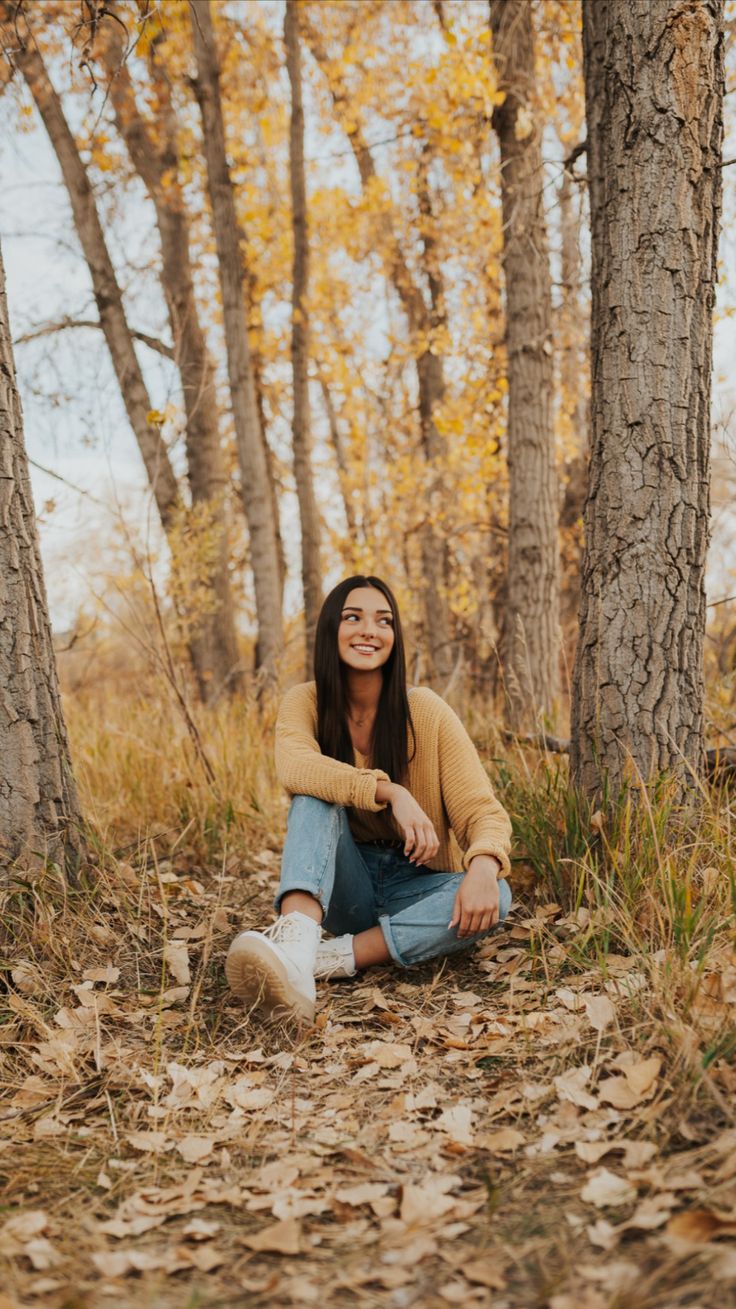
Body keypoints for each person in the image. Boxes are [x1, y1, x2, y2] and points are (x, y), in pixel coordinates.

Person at [225, 575, 513, 1024]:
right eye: (352, 617)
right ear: (329, 631)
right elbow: (296, 767)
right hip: (345, 887)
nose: (369, 631)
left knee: (498, 892)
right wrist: (391, 791)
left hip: (415, 887)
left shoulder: (426, 711)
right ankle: (298, 940)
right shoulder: (305, 702)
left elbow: (482, 811)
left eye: (384, 621)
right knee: (313, 794)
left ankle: (320, 961)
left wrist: (483, 865)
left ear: (394, 638)